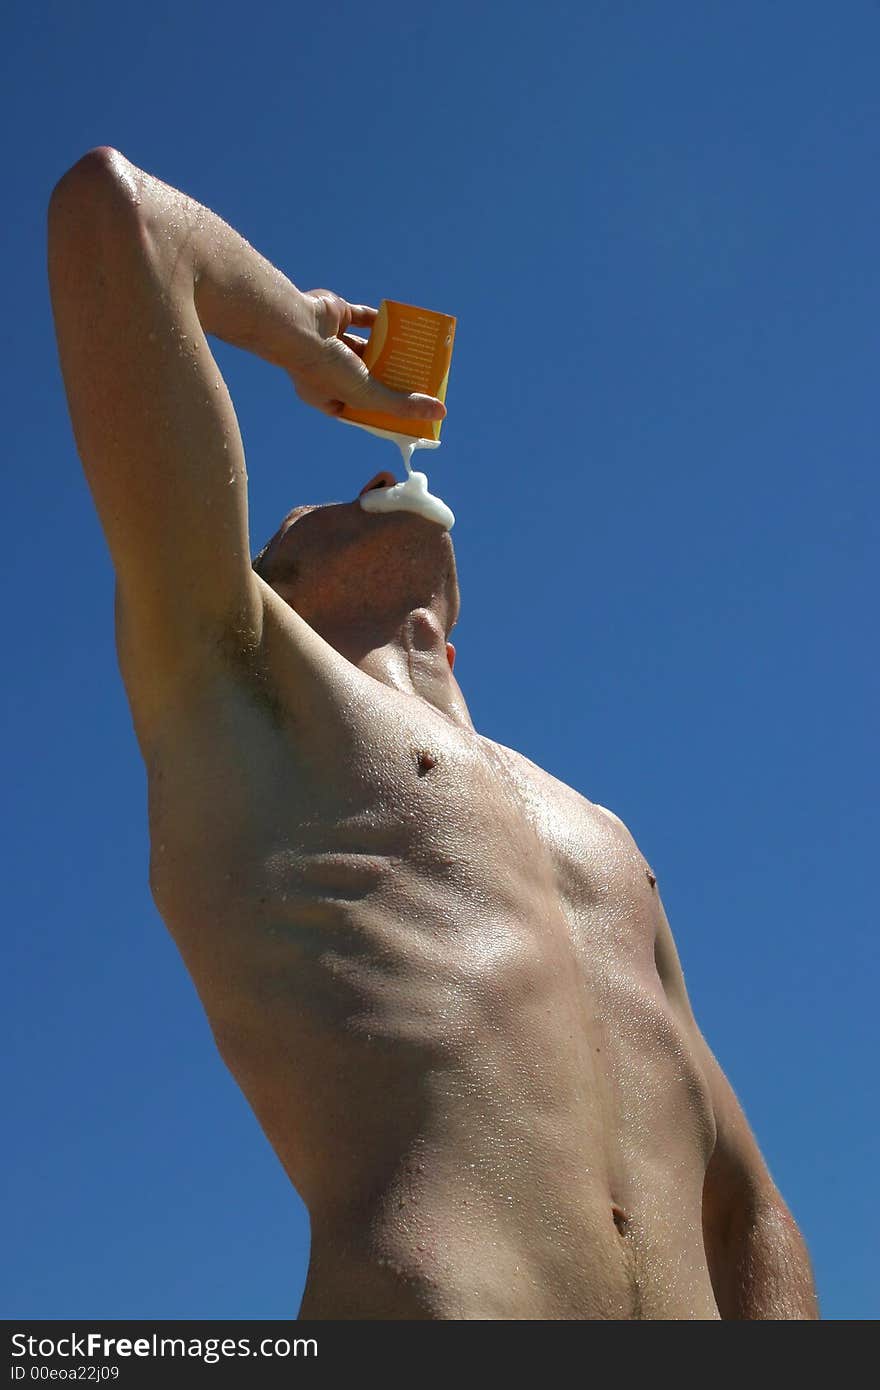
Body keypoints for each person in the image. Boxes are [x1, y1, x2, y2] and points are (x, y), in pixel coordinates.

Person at [48, 147, 819, 1321]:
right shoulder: (240, 689)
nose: (359, 475)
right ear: (272, 580)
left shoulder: (603, 830)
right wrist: (305, 341)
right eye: (306, 512)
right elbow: (116, 220)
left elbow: (744, 1203)